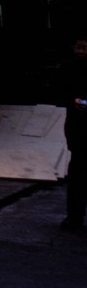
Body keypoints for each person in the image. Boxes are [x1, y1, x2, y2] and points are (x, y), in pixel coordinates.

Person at [60, 36, 87, 232]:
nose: (79, 51)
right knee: (77, 175)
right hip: (78, 130)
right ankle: (74, 218)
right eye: (77, 46)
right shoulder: (69, 69)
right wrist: (74, 101)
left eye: (83, 47)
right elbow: (61, 93)